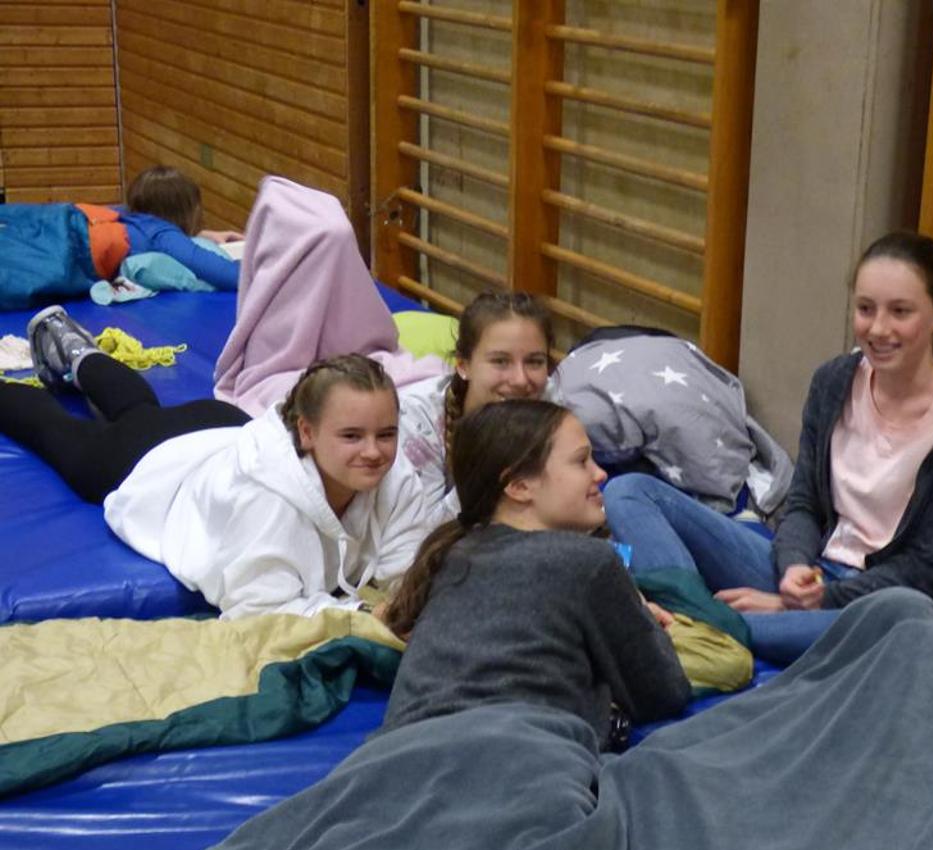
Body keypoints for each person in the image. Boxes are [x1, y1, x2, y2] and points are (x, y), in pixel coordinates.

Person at [603, 232, 933, 664]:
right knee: (629, 492)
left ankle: (708, 626)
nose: (878, 328)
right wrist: (794, 567)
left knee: (897, 623)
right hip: (810, 574)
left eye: (900, 312)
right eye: (866, 309)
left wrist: (809, 603)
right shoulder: (834, 382)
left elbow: (925, 568)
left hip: (877, 604)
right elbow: (804, 503)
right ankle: (704, 617)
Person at [1, 307, 428, 619]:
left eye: (386, 434)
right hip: (159, 456)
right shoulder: (269, 499)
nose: (374, 451)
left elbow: (410, 564)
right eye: (352, 435)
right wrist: (358, 613)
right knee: (62, 438)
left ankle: (81, 353)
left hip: (227, 426)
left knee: (138, 410)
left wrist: (404, 604)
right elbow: (258, 608)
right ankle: (72, 357)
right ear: (306, 432)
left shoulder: (395, 477)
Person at [380, 398, 691, 748]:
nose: (600, 474)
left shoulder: (448, 555)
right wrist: (640, 619)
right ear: (518, 485)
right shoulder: (588, 561)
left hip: (391, 755)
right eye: (581, 461)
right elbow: (664, 693)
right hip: (517, 753)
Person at [397, 290, 560, 533]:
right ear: (463, 365)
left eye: (534, 361)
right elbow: (421, 538)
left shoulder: (549, 399)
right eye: (500, 361)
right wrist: (492, 459)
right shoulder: (418, 418)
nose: (520, 379)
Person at [0, 165, 241, 310]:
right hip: (69, 250)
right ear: (187, 212)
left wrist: (201, 234)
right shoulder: (162, 233)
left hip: (62, 219)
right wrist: (259, 272)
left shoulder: (128, 216)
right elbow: (218, 270)